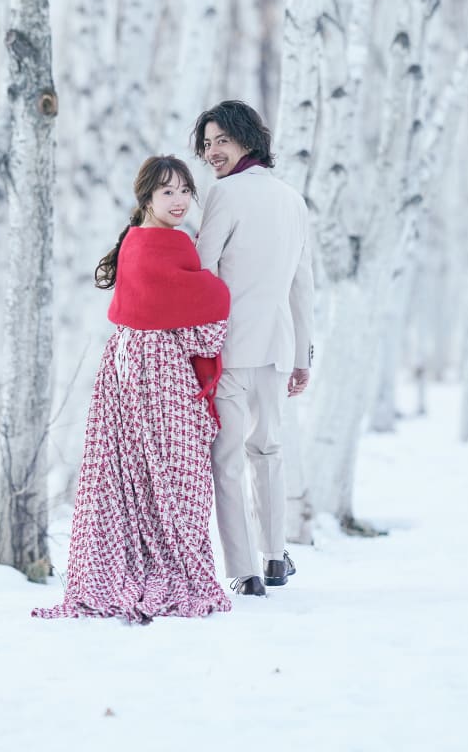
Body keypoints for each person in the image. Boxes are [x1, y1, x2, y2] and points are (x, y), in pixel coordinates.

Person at [33, 155, 232, 623]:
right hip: (155, 370)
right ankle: (171, 567)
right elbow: (205, 313)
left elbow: (175, 307)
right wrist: (218, 291)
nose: (180, 200)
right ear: (146, 198)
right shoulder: (161, 245)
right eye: (168, 191)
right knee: (176, 467)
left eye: (185, 189)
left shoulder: (144, 241)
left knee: (149, 468)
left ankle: (148, 560)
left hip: (128, 366)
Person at [192, 100, 314, 597]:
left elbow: (203, 269)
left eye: (221, 139)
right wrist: (303, 354)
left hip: (230, 349)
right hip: (277, 347)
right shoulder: (293, 199)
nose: (212, 151)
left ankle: (243, 570)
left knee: (228, 459)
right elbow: (301, 285)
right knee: (268, 451)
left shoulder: (223, 195)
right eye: (206, 144)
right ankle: (274, 557)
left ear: (247, 138)